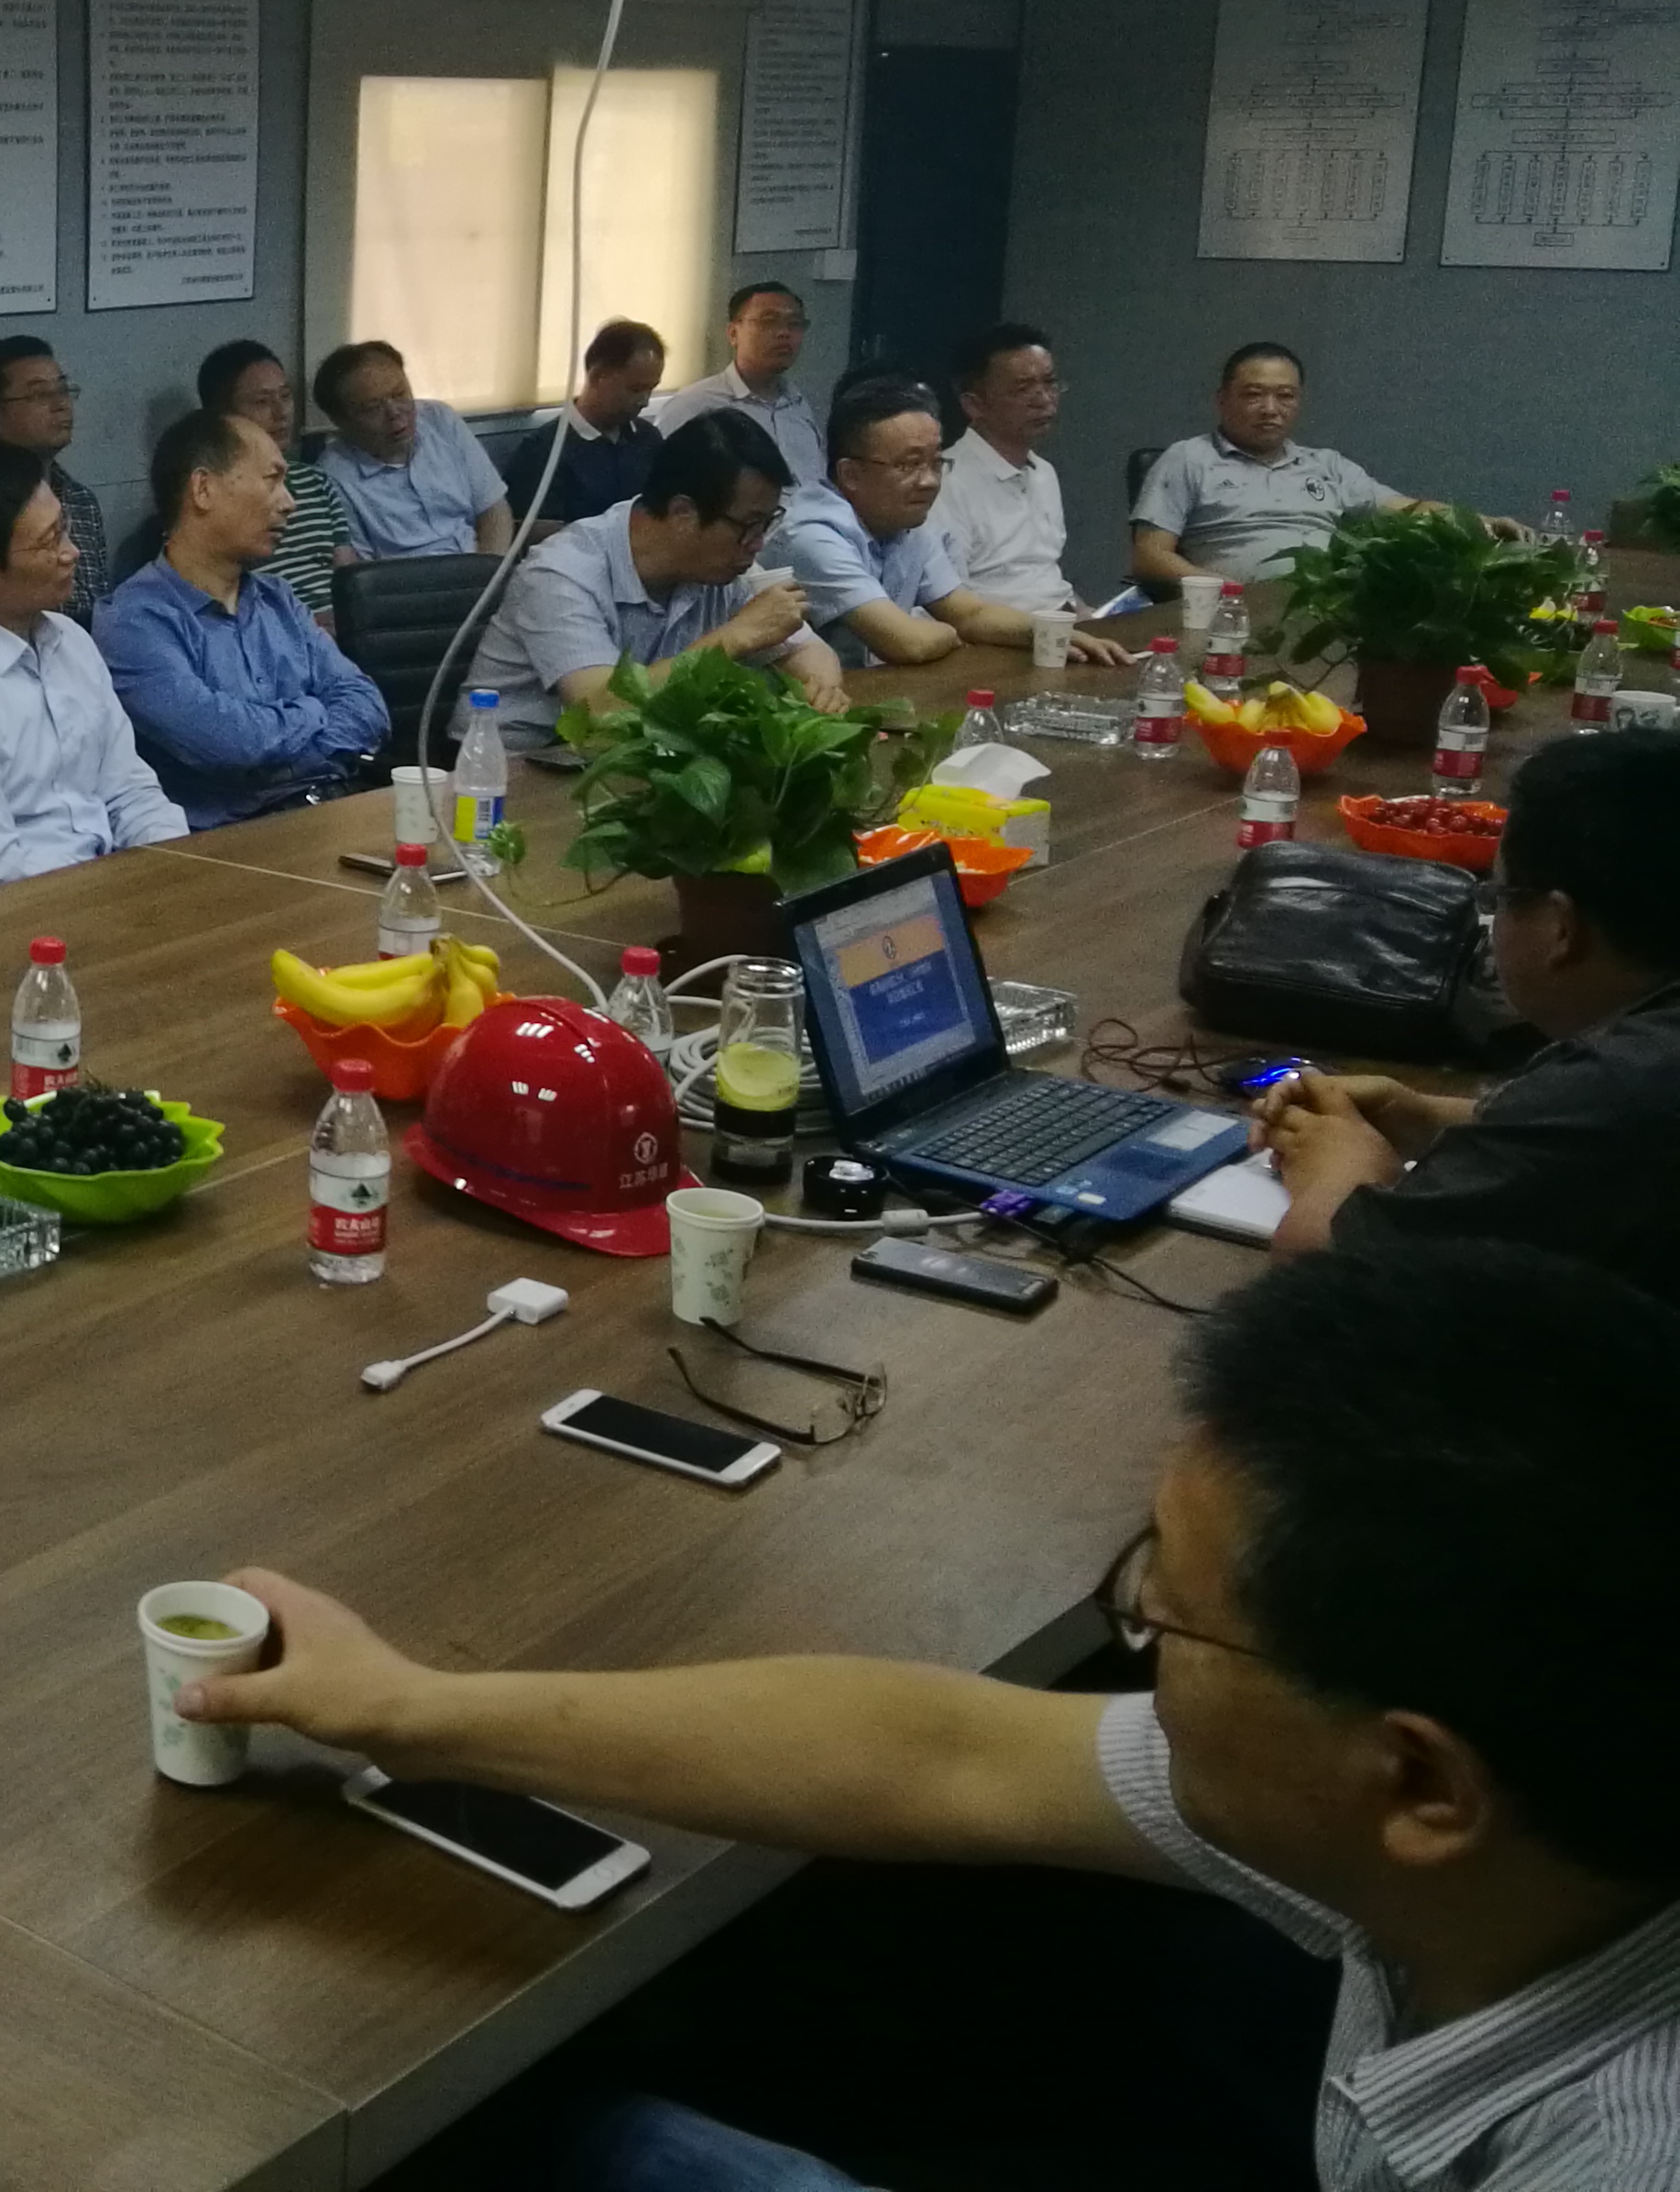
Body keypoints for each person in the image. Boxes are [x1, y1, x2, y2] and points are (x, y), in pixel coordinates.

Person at [182, 1239, 1680, 2192]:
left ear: (1421, 1786)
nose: (1137, 1630)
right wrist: (407, 1709)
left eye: (1167, 1613)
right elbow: (941, 1751)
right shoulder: (1527, 1819)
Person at [1260, 733, 1680, 1273]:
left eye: (1498, 896)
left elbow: (1341, 1270)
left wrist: (1340, 1169)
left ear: (1561, 928)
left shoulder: (1620, 1086)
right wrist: (1438, 1117)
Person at [0, 440, 187, 897]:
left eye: (63, 528)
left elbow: (129, 791)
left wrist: (177, 866)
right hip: (10, 917)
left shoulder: (71, 641)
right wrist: (112, 893)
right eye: (49, 542)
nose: (72, 552)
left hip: (112, 891)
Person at [462, 415, 847, 750]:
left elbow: (809, 650)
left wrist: (820, 690)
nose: (758, 543)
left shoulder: (728, 564)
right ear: (682, 513)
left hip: (629, 759)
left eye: (767, 523)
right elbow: (600, 710)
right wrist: (734, 638)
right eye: (749, 525)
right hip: (510, 770)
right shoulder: (561, 573)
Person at [97, 410, 390, 829]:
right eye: (272, 479)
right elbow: (230, 745)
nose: (289, 503)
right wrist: (314, 712)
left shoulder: (278, 598)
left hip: (334, 807)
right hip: (233, 840)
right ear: (203, 489)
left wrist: (279, 749)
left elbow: (367, 706)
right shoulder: (135, 621)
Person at [768, 379, 1130, 669]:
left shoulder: (905, 522)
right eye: (909, 465)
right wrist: (950, 634)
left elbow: (971, 613)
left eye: (935, 462)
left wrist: (1049, 633)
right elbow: (906, 642)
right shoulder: (814, 536)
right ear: (850, 474)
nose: (929, 481)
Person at [1131, 342, 1517, 591]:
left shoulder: (1326, 465)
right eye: (1253, 395)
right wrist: (1230, 593)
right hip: (1228, 611)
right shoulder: (1188, 458)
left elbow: (1408, 510)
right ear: (1222, 400)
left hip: (1320, 610)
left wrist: (1481, 522)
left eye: (1285, 396)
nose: (1270, 409)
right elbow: (1150, 557)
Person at [929, 321, 1093, 618]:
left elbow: (1042, 574)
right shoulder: (945, 484)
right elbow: (947, 602)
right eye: (1023, 388)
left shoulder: (1044, 473)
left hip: (1060, 625)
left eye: (1050, 383)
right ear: (974, 405)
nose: (1044, 400)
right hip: (999, 634)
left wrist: (1087, 617)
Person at [195, 338, 358, 619]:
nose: (281, 412)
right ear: (222, 416)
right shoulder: (211, 499)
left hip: (343, 629)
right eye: (262, 402)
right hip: (272, 630)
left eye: (285, 396)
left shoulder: (317, 482)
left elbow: (349, 578)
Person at [312, 340, 510, 559]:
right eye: (373, 407)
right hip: (409, 578)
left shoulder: (439, 419)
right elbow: (358, 569)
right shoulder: (332, 476)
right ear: (340, 420)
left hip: (482, 564)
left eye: (399, 394)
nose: (395, 413)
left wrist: (492, 569)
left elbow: (493, 510)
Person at [0, 335, 115, 615]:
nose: (61, 404)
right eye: (39, 395)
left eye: (62, 390)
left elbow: (102, 606)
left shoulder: (81, 499)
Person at [489, 320, 667, 543]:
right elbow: (535, 535)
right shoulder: (543, 450)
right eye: (635, 389)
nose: (644, 401)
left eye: (651, 389)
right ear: (598, 376)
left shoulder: (649, 439)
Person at [649, 283, 827, 486]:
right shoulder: (694, 406)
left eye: (794, 324)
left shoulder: (798, 404)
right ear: (733, 333)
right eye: (769, 321)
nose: (784, 333)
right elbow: (664, 486)